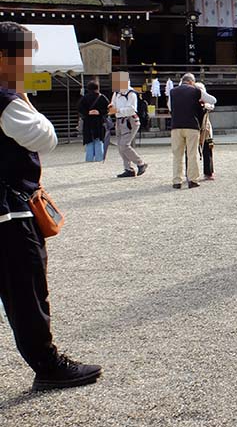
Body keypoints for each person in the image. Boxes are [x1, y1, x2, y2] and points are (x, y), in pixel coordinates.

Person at [0, 21, 102, 391]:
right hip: (10, 212)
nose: (27, 67)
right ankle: (47, 364)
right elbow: (46, 137)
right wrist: (22, 95)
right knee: (25, 290)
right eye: (23, 58)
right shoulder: (6, 100)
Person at [170, 73, 211, 189]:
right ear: (192, 82)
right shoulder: (195, 91)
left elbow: (169, 107)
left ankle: (177, 181)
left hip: (176, 126)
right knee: (192, 154)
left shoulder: (173, 92)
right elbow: (212, 100)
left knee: (177, 155)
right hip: (192, 126)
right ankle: (192, 180)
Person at [109, 71, 148, 178]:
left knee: (124, 145)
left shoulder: (131, 93)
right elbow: (113, 103)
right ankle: (128, 168)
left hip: (129, 120)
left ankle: (140, 163)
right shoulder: (116, 93)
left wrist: (117, 110)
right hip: (119, 120)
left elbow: (132, 109)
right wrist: (111, 107)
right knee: (120, 146)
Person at [77, 80, 109, 162]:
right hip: (99, 121)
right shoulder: (102, 97)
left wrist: (87, 112)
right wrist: (99, 112)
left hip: (88, 122)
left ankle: (89, 158)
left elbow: (79, 108)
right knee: (98, 140)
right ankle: (99, 158)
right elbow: (108, 109)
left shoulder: (84, 98)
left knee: (89, 140)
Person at [196, 82, 215, 180]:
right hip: (193, 128)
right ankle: (190, 173)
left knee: (208, 149)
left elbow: (212, 103)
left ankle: (209, 171)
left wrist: (207, 106)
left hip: (205, 129)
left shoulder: (206, 103)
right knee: (191, 151)